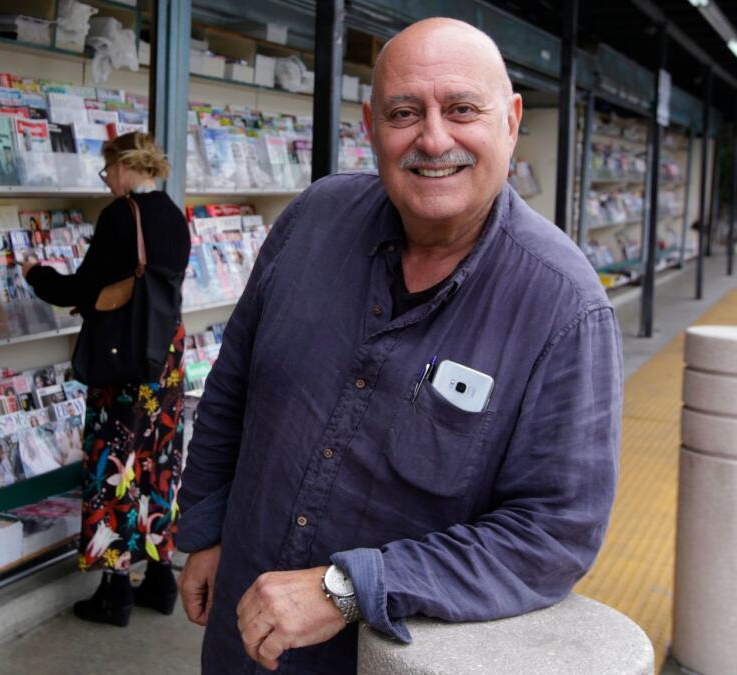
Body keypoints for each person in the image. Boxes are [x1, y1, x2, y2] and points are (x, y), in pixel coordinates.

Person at [175, 18, 623, 673]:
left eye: (462, 109)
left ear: (512, 119)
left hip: (379, 659)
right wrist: (206, 529)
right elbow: (232, 385)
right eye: (405, 112)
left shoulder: (564, 308)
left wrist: (353, 586)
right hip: (239, 634)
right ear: (371, 124)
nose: (433, 138)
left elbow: (554, 532)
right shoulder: (312, 220)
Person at [23, 132, 192, 627]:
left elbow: (80, 286)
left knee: (113, 464)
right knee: (157, 464)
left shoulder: (122, 215)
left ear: (122, 166)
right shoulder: (173, 216)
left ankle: (114, 591)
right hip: (165, 356)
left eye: (107, 172)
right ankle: (161, 580)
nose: (108, 183)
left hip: (124, 362)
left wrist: (37, 274)